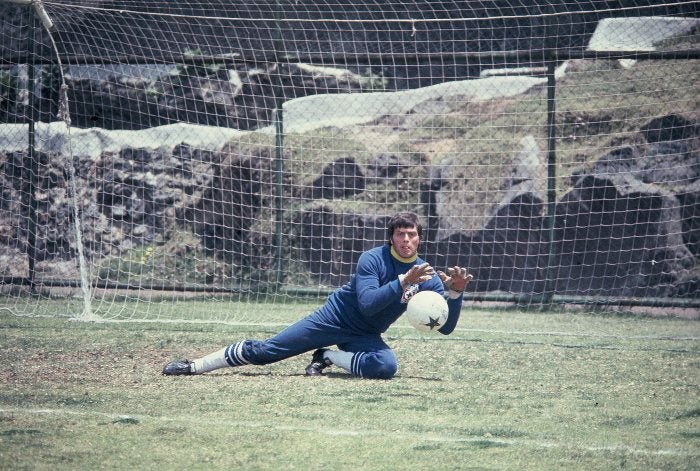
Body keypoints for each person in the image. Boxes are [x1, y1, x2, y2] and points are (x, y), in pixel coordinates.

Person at [163, 211, 472, 379]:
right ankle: (195, 366)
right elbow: (366, 304)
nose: (406, 239)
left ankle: (327, 356)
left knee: (385, 367)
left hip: (364, 334)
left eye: (412, 234)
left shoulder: (426, 275)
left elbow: (444, 327)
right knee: (267, 353)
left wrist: (454, 294)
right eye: (400, 234)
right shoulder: (372, 259)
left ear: (419, 239)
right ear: (391, 237)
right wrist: (402, 282)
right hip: (333, 318)